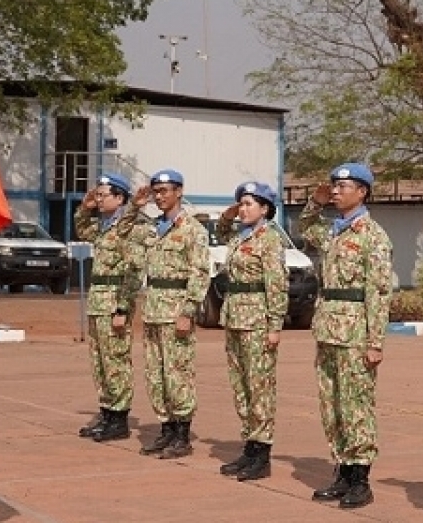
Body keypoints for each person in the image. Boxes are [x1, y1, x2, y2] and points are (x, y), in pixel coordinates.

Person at [300, 162, 393, 509]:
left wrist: (375, 342)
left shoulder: (373, 236)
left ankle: (360, 479)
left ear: (362, 192)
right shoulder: (332, 231)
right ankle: (342, 470)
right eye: (334, 187)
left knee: (356, 406)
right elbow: (304, 226)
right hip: (328, 330)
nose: (336, 191)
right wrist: (316, 202)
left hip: (355, 332)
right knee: (332, 405)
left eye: (343, 187)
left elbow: (379, 293)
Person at [118, 169, 210, 459]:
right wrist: (135, 206)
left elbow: (200, 273)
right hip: (154, 309)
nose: (159, 197)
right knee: (156, 375)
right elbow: (121, 232)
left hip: (176, 310)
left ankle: (182, 434)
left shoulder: (193, 229)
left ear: (179, 192)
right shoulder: (152, 228)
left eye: (164, 191)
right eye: (155, 192)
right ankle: (166, 428)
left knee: (177, 373)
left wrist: (188, 311)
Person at [214, 181, 289, 481]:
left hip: (257, 321)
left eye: (248, 204)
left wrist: (275, 325)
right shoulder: (239, 236)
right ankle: (249, 445)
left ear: (265, 209)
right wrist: (227, 215)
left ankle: (262, 453)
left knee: (260, 388)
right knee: (241, 387)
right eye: (241, 204)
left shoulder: (269, 239)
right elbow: (220, 231)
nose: (243, 209)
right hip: (235, 318)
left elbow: (277, 284)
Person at [73, 173, 141, 442]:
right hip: (98, 301)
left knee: (116, 361)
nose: (99, 200)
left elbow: (133, 271)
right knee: (100, 362)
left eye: (103, 195)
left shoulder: (128, 228)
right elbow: (82, 229)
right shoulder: (103, 226)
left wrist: (123, 308)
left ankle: (119, 418)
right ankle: (107, 412)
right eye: (97, 195)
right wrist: (85, 207)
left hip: (114, 301)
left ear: (120, 198)